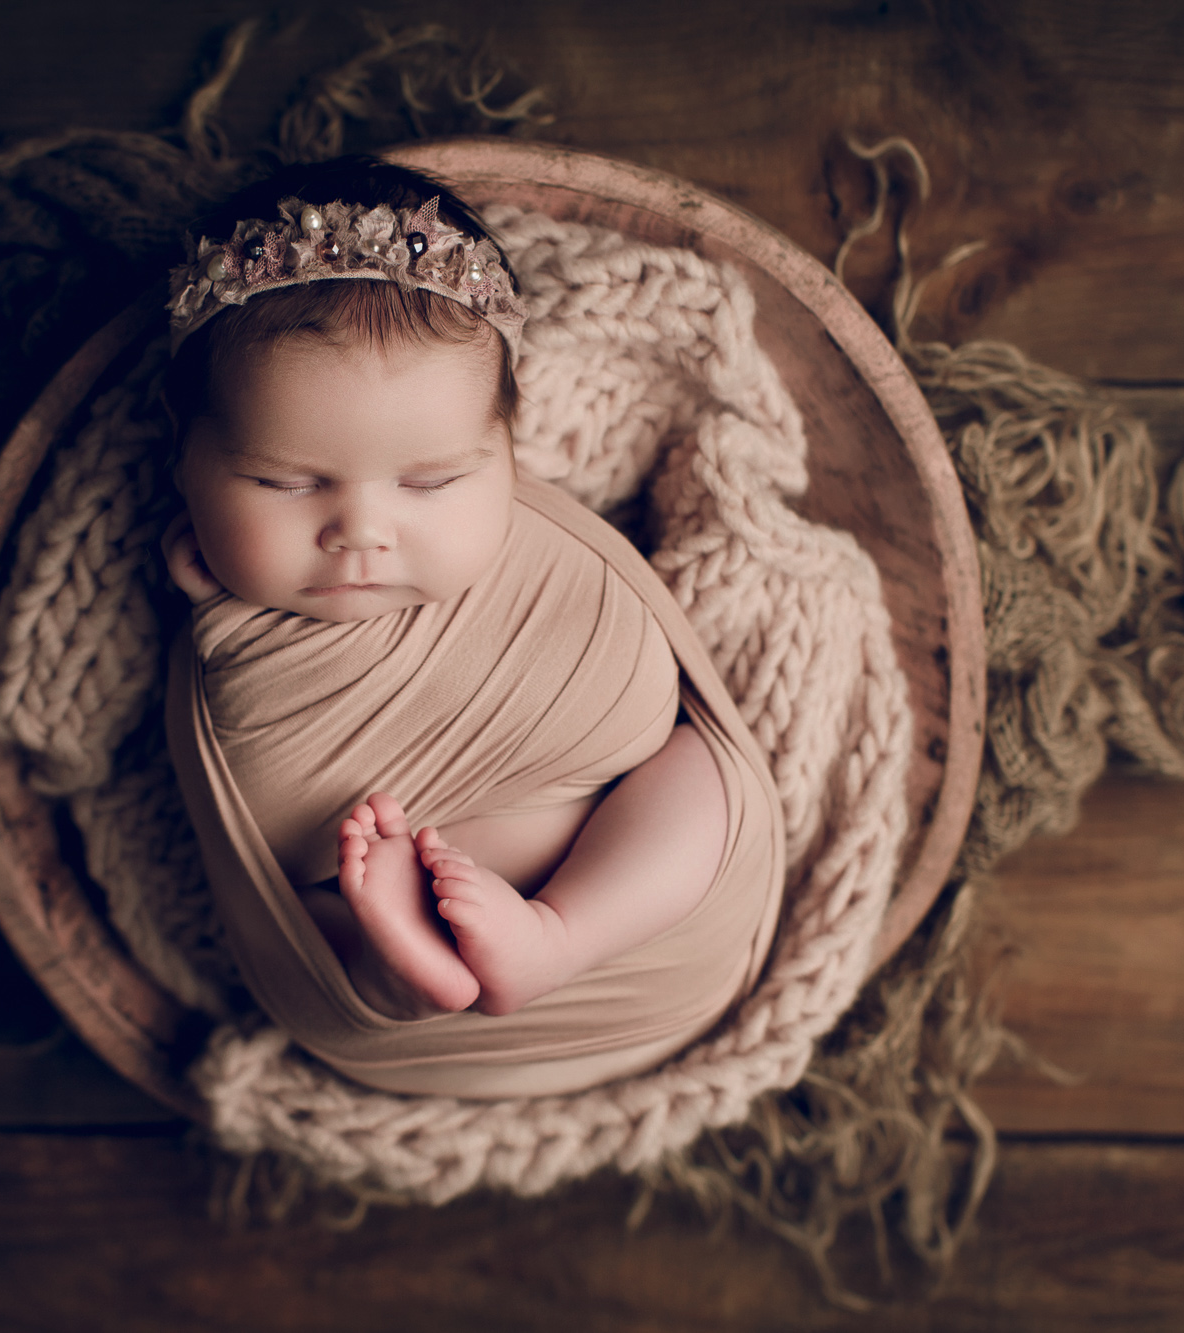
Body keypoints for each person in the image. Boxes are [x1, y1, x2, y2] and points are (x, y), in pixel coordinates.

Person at [160, 156, 782, 1097]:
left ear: (508, 451)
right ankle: (385, 971)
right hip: (411, 1032)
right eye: (281, 483)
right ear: (188, 463)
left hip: (658, 932)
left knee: (705, 774)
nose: (361, 531)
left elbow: (661, 708)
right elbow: (247, 839)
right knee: (311, 892)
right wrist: (222, 604)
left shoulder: (543, 550)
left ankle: (563, 930)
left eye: (430, 482)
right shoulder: (231, 633)